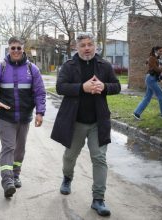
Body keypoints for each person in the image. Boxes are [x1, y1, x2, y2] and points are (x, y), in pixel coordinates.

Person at [50, 32, 121, 217]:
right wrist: (82, 87)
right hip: (76, 121)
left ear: (95, 46)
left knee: (99, 158)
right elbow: (60, 87)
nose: (87, 48)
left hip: (98, 121)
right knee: (70, 156)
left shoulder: (104, 65)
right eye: (83, 45)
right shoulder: (69, 66)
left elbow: (117, 86)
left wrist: (105, 87)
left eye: (90, 44)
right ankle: (67, 177)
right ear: (77, 47)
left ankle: (98, 199)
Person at [0, 36, 46, 198]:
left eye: (19, 48)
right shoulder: (0, 69)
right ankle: (7, 181)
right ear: (9, 49)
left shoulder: (32, 69)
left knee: (19, 150)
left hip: (25, 118)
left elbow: (39, 93)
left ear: (23, 49)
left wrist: (40, 113)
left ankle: (16, 174)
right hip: (6, 118)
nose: (16, 51)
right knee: (9, 148)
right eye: (13, 48)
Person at [133, 46, 162, 119]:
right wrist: (161, 69)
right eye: (160, 51)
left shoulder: (158, 59)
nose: (161, 52)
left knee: (147, 97)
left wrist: (161, 69)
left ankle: (137, 113)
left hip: (153, 79)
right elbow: (155, 68)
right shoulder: (151, 58)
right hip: (151, 79)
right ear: (156, 51)